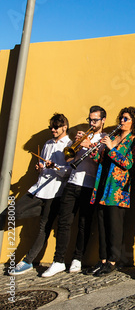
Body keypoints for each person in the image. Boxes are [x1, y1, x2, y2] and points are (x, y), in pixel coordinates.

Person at [41, 106, 107, 277]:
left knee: (84, 224)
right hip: (72, 183)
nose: (92, 123)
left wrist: (89, 145)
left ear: (103, 121)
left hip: (89, 185)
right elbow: (68, 158)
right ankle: (58, 261)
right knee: (64, 223)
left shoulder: (106, 138)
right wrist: (75, 146)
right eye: (90, 120)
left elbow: (102, 161)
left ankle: (78, 258)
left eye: (95, 120)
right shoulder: (81, 135)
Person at [10, 113, 72, 276]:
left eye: (56, 127)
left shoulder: (70, 145)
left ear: (64, 127)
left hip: (55, 191)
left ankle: (28, 261)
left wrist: (55, 167)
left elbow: (69, 171)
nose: (52, 130)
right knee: (14, 211)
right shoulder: (47, 143)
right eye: (51, 127)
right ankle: (43, 210)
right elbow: (44, 166)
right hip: (39, 189)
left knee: (43, 228)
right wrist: (42, 168)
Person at [87, 107, 135, 277]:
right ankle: (103, 259)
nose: (122, 122)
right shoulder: (112, 137)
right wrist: (92, 151)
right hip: (103, 185)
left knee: (114, 226)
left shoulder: (134, 141)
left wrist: (111, 148)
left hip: (118, 190)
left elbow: (128, 164)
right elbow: (101, 160)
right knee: (102, 224)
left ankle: (113, 260)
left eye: (126, 119)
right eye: (121, 118)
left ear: (134, 122)